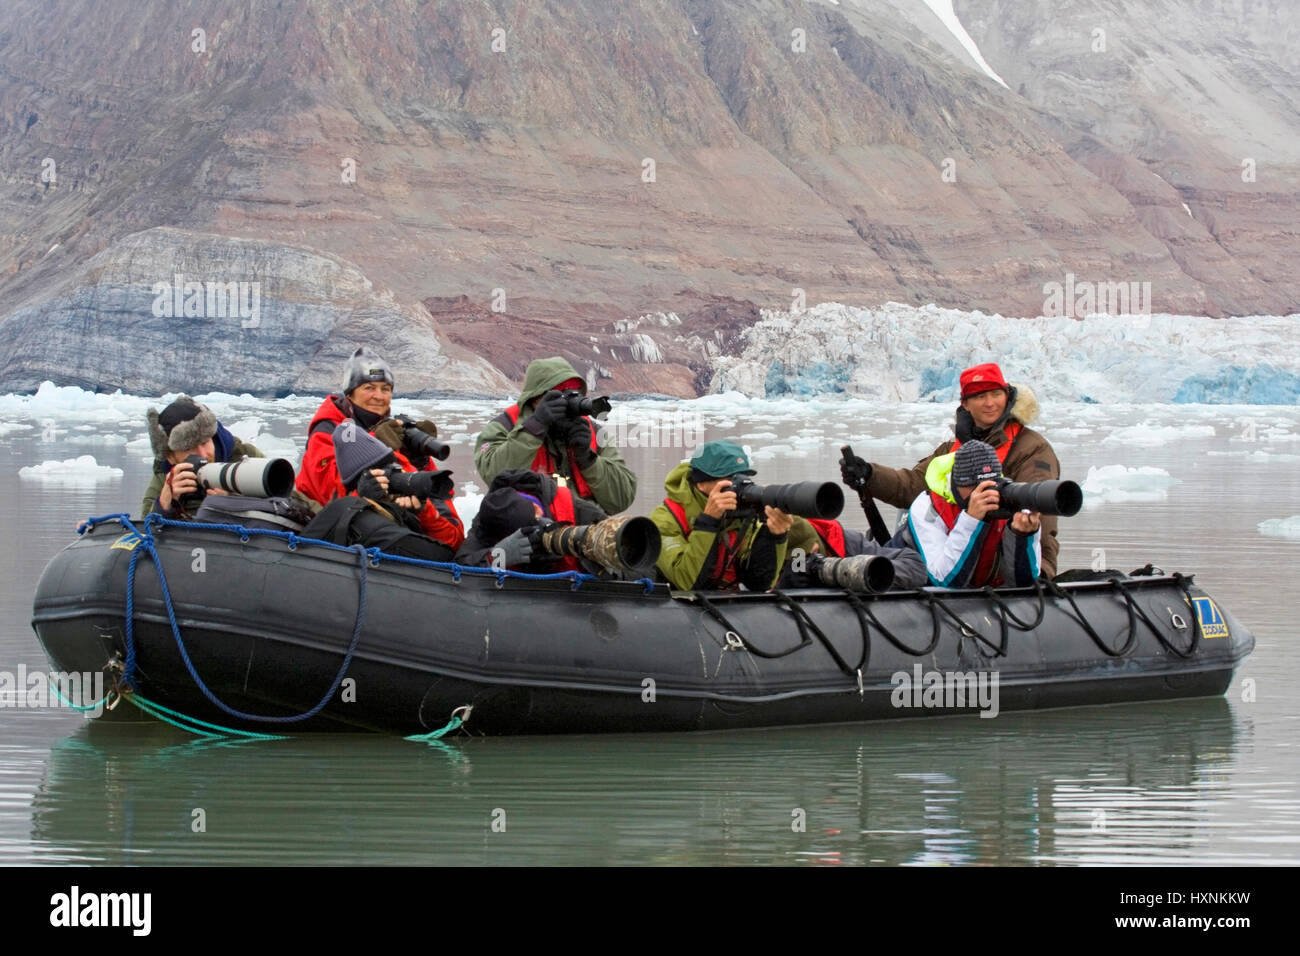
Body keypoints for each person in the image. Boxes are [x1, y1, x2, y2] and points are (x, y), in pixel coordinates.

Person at [843, 362, 1062, 577]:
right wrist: (871, 475)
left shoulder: (1031, 448)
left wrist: (1043, 568)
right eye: (979, 396)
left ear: (1008, 396)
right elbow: (914, 484)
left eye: (996, 394)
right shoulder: (952, 448)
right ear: (965, 403)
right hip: (951, 551)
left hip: (1003, 555)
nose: (990, 403)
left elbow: (1038, 503)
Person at [297, 346, 463, 552]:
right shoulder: (329, 431)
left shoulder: (397, 435)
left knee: (443, 550)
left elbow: (453, 535)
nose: (379, 396)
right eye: (369, 387)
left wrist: (417, 465)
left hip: (388, 527)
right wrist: (369, 479)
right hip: (328, 528)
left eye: (385, 389)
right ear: (350, 393)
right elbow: (328, 493)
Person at [474, 357, 636, 515]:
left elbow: (622, 498)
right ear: (535, 398)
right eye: (558, 396)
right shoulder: (506, 426)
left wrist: (588, 458)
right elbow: (493, 475)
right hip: (527, 529)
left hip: (584, 530)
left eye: (574, 394)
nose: (567, 403)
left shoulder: (593, 432)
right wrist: (534, 428)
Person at [894, 440, 1042, 588]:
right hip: (908, 586)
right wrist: (971, 520)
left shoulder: (1005, 502)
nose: (981, 492)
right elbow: (944, 580)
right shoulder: (928, 506)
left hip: (983, 597)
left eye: (989, 483)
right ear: (956, 484)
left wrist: (1022, 535)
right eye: (973, 485)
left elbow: (1023, 585)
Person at [301, 421, 457, 561]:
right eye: (378, 471)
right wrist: (365, 501)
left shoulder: (409, 489)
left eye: (391, 466)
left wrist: (424, 513)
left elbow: (455, 544)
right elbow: (443, 556)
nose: (389, 476)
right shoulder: (345, 511)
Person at [649, 440, 791, 592]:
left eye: (743, 478)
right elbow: (687, 582)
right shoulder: (665, 519)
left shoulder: (742, 515)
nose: (737, 487)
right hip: (672, 603)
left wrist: (773, 537)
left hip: (725, 603)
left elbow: (759, 583)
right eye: (729, 480)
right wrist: (708, 522)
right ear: (701, 484)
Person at [455, 469, 607, 571]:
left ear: (537, 510)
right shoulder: (491, 514)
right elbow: (460, 565)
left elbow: (623, 556)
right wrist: (497, 556)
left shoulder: (582, 513)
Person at [143, 397, 263, 519]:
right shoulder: (166, 474)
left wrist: (237, 503)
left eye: (205, 442)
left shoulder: (245, 457)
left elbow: (280, 502)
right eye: (189, 448)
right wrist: (164, 504)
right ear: (170, 457)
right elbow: (145, 526)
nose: (203, 454)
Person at [783, 516, 928, 590]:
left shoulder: (840, 540)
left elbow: (914, 566)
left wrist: (852, 572)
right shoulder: (765, 550)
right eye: (799, 557)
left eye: (813, 552)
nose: (806, 559)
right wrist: (782, 588)